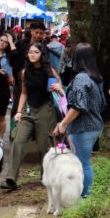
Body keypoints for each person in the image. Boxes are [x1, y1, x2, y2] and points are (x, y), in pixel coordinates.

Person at [1, 42, 63, 191]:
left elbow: (59, 89)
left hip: (46, 110)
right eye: (30, 52)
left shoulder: (49, 71)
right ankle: (11, 178)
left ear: (42, 55)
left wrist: (59, 87)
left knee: (45, 146)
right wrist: (18, 112)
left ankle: (47, 176)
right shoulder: (25, 72)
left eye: (36, 52)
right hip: (29, 111)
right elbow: (24, 93)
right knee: (18, 140)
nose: (32, 54)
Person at [52, 43, 105, 197]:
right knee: (84, 162)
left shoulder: (81, 78)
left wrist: (63, 124)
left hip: (83, 128)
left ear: (78, 58)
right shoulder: (96, 77)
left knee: (82, 164)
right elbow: (100, 103)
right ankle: (83, 195)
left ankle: (85, 197)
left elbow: (78, 107)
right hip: (94, 125)